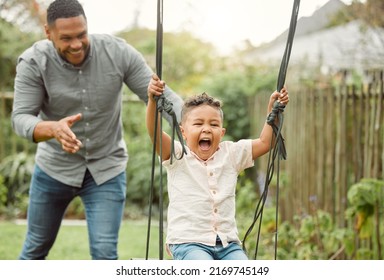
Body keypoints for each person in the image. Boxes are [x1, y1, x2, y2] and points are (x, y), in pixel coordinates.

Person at [11, 0, 183, 260]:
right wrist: (51, 129)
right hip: (54, 170)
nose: (77, 44)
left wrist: (197, 125)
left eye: (81, 34)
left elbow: (164, 98)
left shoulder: (118, 52)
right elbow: (21, 118)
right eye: (66, 38)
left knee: (105, 254)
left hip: (106, 170)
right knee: (35, 249)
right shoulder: (34, 62)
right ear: (48, 32)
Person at [146, 74, 289, 260]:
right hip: (188, 243)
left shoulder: (231, 154)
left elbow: (265, 142)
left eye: (213, 124)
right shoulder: (177, 155)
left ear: (221, 133)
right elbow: (154, 132)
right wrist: (151, 100)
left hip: (228, 244)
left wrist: (273, 111)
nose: (206, 129)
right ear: (183, 132)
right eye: (198, 123)